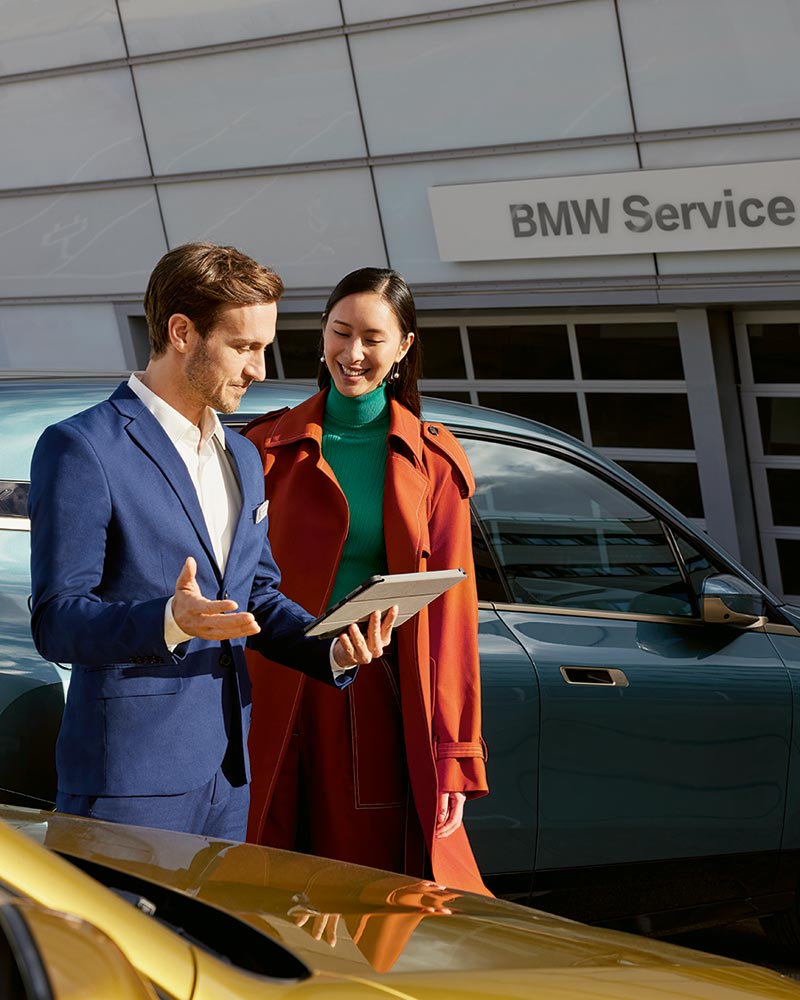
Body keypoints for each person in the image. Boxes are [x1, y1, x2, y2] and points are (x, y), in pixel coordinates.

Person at [28, 242, 395, 842]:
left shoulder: (245, 456)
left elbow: (257, 595)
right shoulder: (83, 448)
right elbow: (56, 621)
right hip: (129, 780)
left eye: (264, 349)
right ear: (181, 332)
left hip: (229, 773)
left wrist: (331, 646)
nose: (259, 369)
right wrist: (169, 620)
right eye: (244, 347)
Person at [243, 267, 489, 895]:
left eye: (373, 339)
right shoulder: (260, 447)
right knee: (254, 886)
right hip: (264, 690)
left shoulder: (433, 460)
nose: (352, 354)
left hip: (373, 697)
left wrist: (455, 757)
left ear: (404, 347)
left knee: (365, 897)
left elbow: (453, 616)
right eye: (339, 333)